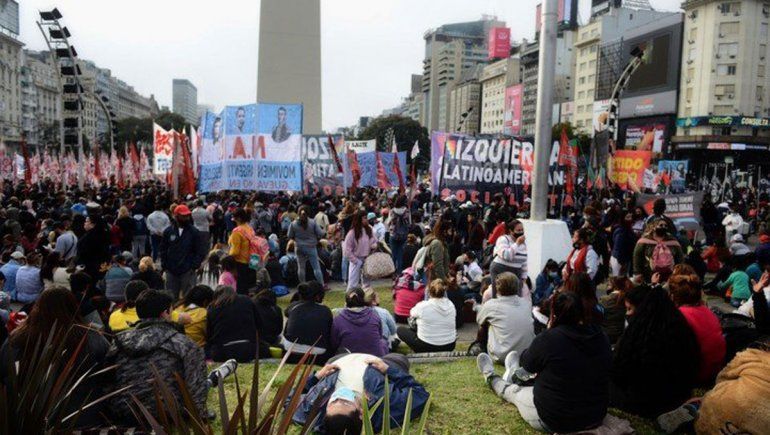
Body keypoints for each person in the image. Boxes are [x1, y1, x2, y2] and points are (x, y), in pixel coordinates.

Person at [477, 291, 612, 433]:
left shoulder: (549, 338)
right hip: (595, 416)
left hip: (555, 419)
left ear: (553, 313)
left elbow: (527, 363)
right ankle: (513, 373)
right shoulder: (601, 336)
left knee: (515, 392)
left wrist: (548, 331)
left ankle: (492, 377)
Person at [0, 287, 111, 429]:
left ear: (37, 307)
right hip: (81, 420)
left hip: (26, 420)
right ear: (73, 307)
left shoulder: (15, 339)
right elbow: (109, 375)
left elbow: (4, 374)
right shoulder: (92, 338)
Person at [109, 289, 207, 424]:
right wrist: (199, 415)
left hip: (124, 413)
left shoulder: (118, 343)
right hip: (168, 414)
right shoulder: (184, 344)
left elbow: (107, 381)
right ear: (166, 313)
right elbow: (196, 386)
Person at [610, 285, 699, 418]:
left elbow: (620, 370)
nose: (627, 314)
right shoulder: (681, 328)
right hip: (678, 397)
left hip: (645, 403)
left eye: (630, 309)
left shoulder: (638, 336)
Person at [290, 352, 429, 433]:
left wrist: (317, 377)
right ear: (362, 413)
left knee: (337, 354)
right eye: (344, 401)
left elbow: (289, 399)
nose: (337, 397)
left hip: (340, 362)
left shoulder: (310, 412)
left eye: (332, 403)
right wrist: (388, 369)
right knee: (399, 358)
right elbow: (420, 394)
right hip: (378, 364)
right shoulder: (385, 407)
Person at [668, 273, 726, 385]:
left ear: (673, 296)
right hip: (716, 368)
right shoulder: (708, 312)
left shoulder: (679, 316)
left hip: (699, 374)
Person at [475, 272, 534, 362]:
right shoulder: (526, 303)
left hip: (502, 356)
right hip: (526, 354)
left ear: (497, 287)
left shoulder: (491, 305)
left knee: (484, 323)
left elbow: (479, 320)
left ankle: (480, 348)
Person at [397, 279, 456, 353]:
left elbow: (412, 313)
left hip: (426, 346)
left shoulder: (423, 306)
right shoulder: (451, 305)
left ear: (429, 293)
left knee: (400, 330)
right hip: (449, 345)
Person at [160, 205, 206, 299]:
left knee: (188, 299)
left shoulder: (194, 232)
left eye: (188, 216)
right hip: (171, 271)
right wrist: (165, 266)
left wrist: (193, 266)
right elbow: (163, 249)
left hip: (187, 271)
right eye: (183, 216)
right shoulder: (168, 232)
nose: (186, 218)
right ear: (176, 216)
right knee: (171, 299)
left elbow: (200, 251)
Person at [283, 281, 334, 364]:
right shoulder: (325, 311)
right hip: (317, 353)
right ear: (318, 296)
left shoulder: (294, 307)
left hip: (290, 351)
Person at [206, 285, 260, 362]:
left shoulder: (213, 307)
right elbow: (258, 323)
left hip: (223, 352)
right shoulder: (246, 300)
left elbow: (209, 334)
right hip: (248, 349)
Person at [331, 287, 388, 356]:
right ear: (363, 300)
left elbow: (334, 343)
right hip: (374, 359)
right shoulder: (374, 315)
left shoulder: (337, 320)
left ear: (346, 302)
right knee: (383, 342)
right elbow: (380, 335)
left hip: (349, 359)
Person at [288, 205, 325, 285]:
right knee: (316, 267)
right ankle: (321, 284)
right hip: (311, 247)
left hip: (299, 247)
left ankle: (302, 285)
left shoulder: (293, 224)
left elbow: (289, 236)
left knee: (301, 268)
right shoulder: (312, 222)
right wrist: (316, 238)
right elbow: (321, 233)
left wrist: (297, 240)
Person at [490, 220, 527, 298]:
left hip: (516, 271)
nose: (521, 232)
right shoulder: (503, 239)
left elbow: (524, 261)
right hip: (501, 269)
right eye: (518, 230)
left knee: (517, 296)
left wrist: (524, 277)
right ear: (511, 231)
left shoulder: (523, 244)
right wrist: (517, 244)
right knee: (499, 294)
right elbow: (506, 255)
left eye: (522, 230)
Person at [228, 208, 261, 294]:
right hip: (253, 261)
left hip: (241, 263)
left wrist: (227, 258)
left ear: (238, 218)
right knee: (250, 288)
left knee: (241, 289)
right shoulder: (250, 229)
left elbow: (235, 251)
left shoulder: (237, 231)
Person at [343, 210, 379, 290]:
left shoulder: (369, 230)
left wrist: (374, 246)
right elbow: (347, 250)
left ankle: (367, 300)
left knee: (367, 284)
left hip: (367, 259)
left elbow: (375, 241)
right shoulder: (352, 233)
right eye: (365, 218)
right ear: (359, 219)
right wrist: (356, 261)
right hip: (356, 260)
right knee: (352, 284)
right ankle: (350, 301)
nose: (367, 220)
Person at [599, 276, 633, 344]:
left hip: (607, 334)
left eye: (608, 284)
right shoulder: (630, 299)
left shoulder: (604, 300)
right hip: (623, 334)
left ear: (613, 286)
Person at [253, 289, 283, 354]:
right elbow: (279, 329)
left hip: (257, 338)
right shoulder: (276, 309)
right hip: (272, 338)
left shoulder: (252, 306)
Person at [386, 196, 410, 274]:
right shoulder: (406, 211)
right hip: (403, 235)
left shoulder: (392, 211)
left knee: (393, 254)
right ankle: (399, 272)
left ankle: (392, 272)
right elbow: (409, 223)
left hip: (393, 234)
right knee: (400, 254)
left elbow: (388, 222)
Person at [423, 217, 451, 282]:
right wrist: (444, 281)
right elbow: (438, 266)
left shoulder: (440, 242)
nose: (451, 233)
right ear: (444, 231)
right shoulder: (437, 244)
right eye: (449, 230)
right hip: (436, 283)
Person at [610, 212, 638, 277]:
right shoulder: (621, 231)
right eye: (627, 217)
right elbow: (618, 247)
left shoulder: (628, 229)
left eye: (631, 217)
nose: (630, 219)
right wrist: (621, 262)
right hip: (619, 260)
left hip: (626, 259)